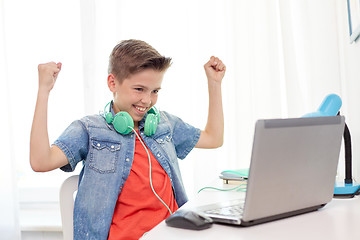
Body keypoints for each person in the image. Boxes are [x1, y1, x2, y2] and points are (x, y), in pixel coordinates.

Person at [30, 39, 225, 239]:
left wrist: (215, 83)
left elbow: (213, 138)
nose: (147, 101)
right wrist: (44, 91)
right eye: (139, 89)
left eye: (155, 91)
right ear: (112, 83)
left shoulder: (163, 124)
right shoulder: (90, 130)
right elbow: (40, 161)